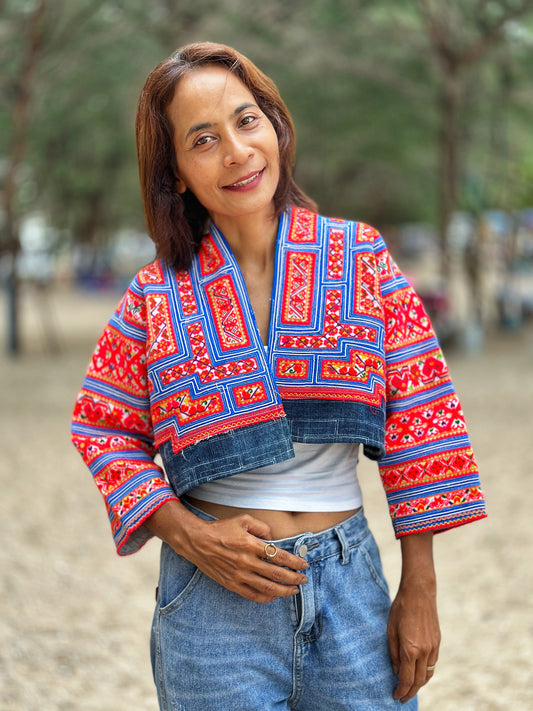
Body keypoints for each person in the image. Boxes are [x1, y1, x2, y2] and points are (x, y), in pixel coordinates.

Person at [71, 42, 487, 711]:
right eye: (203, 139)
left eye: (246, 120)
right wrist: (189, 535)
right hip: (210, 604)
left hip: (351, 590)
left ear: (275, 125)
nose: (236, 152)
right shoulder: (155, 296)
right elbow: (102, 424)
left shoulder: (361, 261)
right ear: (175, 171)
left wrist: (420, 588)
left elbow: (420, 421)